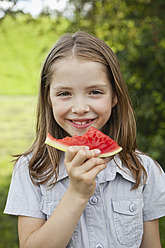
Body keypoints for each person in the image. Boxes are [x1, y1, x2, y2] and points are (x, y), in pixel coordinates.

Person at [4, 31, 165, 248]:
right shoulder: (31, 170)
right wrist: (77, 194)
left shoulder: (143, 171)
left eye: (95, 92)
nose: (80, 108)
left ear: (115, 95)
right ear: (48, 98)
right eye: (64, 94)